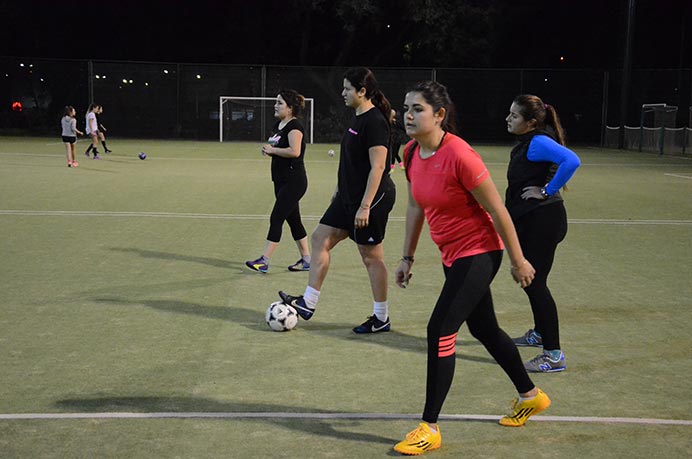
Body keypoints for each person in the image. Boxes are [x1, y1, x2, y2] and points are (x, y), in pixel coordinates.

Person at [392, 81, 550, 456]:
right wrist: (407, 257)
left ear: (440, 115)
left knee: (440, 328)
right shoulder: (411, 152)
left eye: (418, 109)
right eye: (407, 108)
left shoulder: (461, 155)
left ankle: (429, 426)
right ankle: (531, 395)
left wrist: (518, 260)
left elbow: (498, 211)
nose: (409, 116)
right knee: (484, 328)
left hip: (479, 252)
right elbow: (416, 205)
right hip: (451, 254)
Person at [278, 67, 396, 334]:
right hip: (346, 197)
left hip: (371, 199)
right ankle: (307, 303)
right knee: (320, 238)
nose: (342, 93)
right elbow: (351, 164)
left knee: (371, 257)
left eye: (347, 89)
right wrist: (338, 191)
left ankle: (382, 317)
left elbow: (378, 168)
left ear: (362, 91)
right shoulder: (357, 117)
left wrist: (365, 205)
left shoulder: (375, 121)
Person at [505, 95, 581, 373]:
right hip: (534, 220)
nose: (508, 119)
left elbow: (572, 161)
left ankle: (553, 354)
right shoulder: (530, 141)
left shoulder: (538, 141)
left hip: (543, 221)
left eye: (514, 116)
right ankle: (539, 333)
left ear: (532, 123)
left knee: (535, 285)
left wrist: (546, 190)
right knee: (533, 283)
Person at [245, 89, 311, 273]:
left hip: (294, 181)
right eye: (276, 102)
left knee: (276, 217)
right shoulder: (279, 124)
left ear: (290, 108)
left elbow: (294, 151)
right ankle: (307, 260)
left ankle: (264, 260)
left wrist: (273, 151)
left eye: (280, 103)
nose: (275, 105)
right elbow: (278, 146)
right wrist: (269, 149)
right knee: (294, 221)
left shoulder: (295, 126)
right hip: (280, 180)